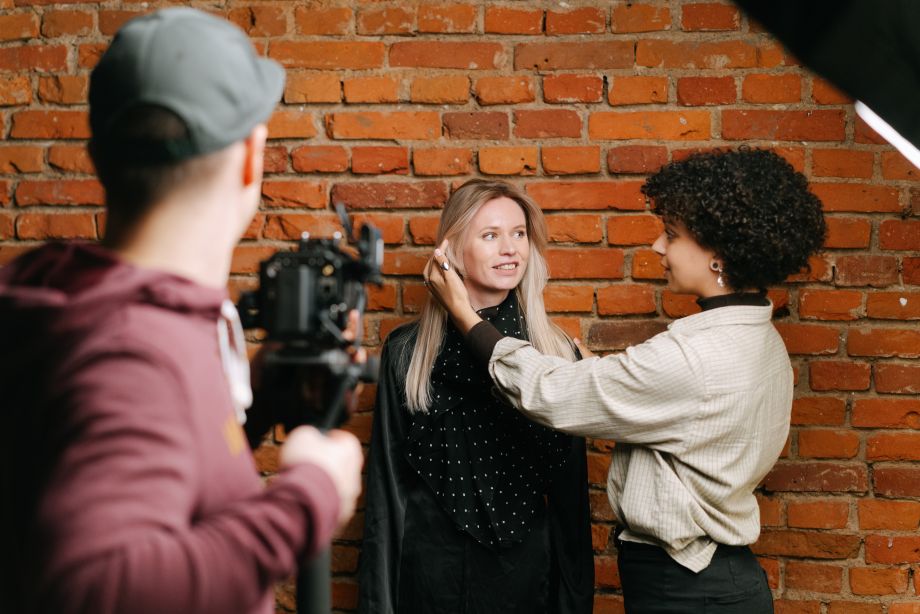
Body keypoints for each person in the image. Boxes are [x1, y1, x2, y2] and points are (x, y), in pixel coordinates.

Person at [0, 8, 362, 614]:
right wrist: (310, 499)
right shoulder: (135, 351)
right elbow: (95, 586)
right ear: (252, 156)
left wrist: (261, 405)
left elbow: (147, 472)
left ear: (98, 156)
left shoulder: (94, 299)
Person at [425, 150, 827, 613]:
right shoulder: (761, 341)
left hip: (686, 589)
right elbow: (683, 415)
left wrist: (463, 314)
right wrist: (609, 379)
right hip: (719, 579)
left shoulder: (690, 358)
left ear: (717, 256)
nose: (658, 246)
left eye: (672, 236)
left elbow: (548, 393)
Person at [358, 179, 594, 614]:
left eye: (518, 233)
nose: (510, 249)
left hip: (528, 584)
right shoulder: (407, 353)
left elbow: (571, 512)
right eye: (490, 235)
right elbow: (385, 500)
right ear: (450, 251)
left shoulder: (557, 354)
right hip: (428, 582)